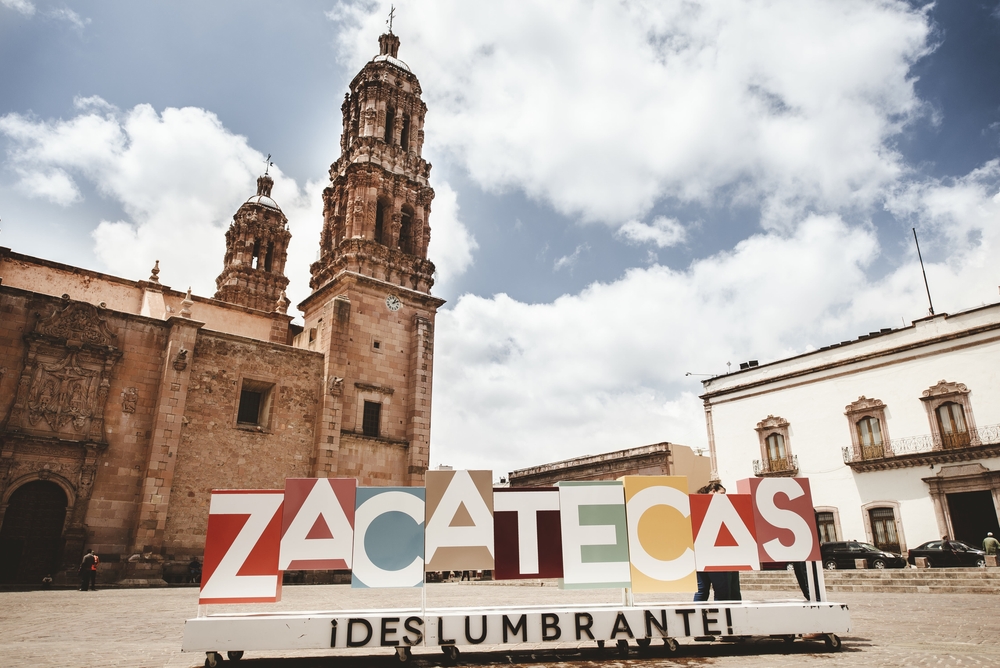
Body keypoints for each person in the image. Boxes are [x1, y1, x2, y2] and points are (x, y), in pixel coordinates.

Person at [693, 481, 741, 602]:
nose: (725, 496)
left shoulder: (696, 506)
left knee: (702, 590)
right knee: (723, 591)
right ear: (713, 492)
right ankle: (726, 618)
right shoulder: (719, 509)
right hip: (720, 554)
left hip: (701, 555)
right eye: (722, 493)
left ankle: (695, 618)